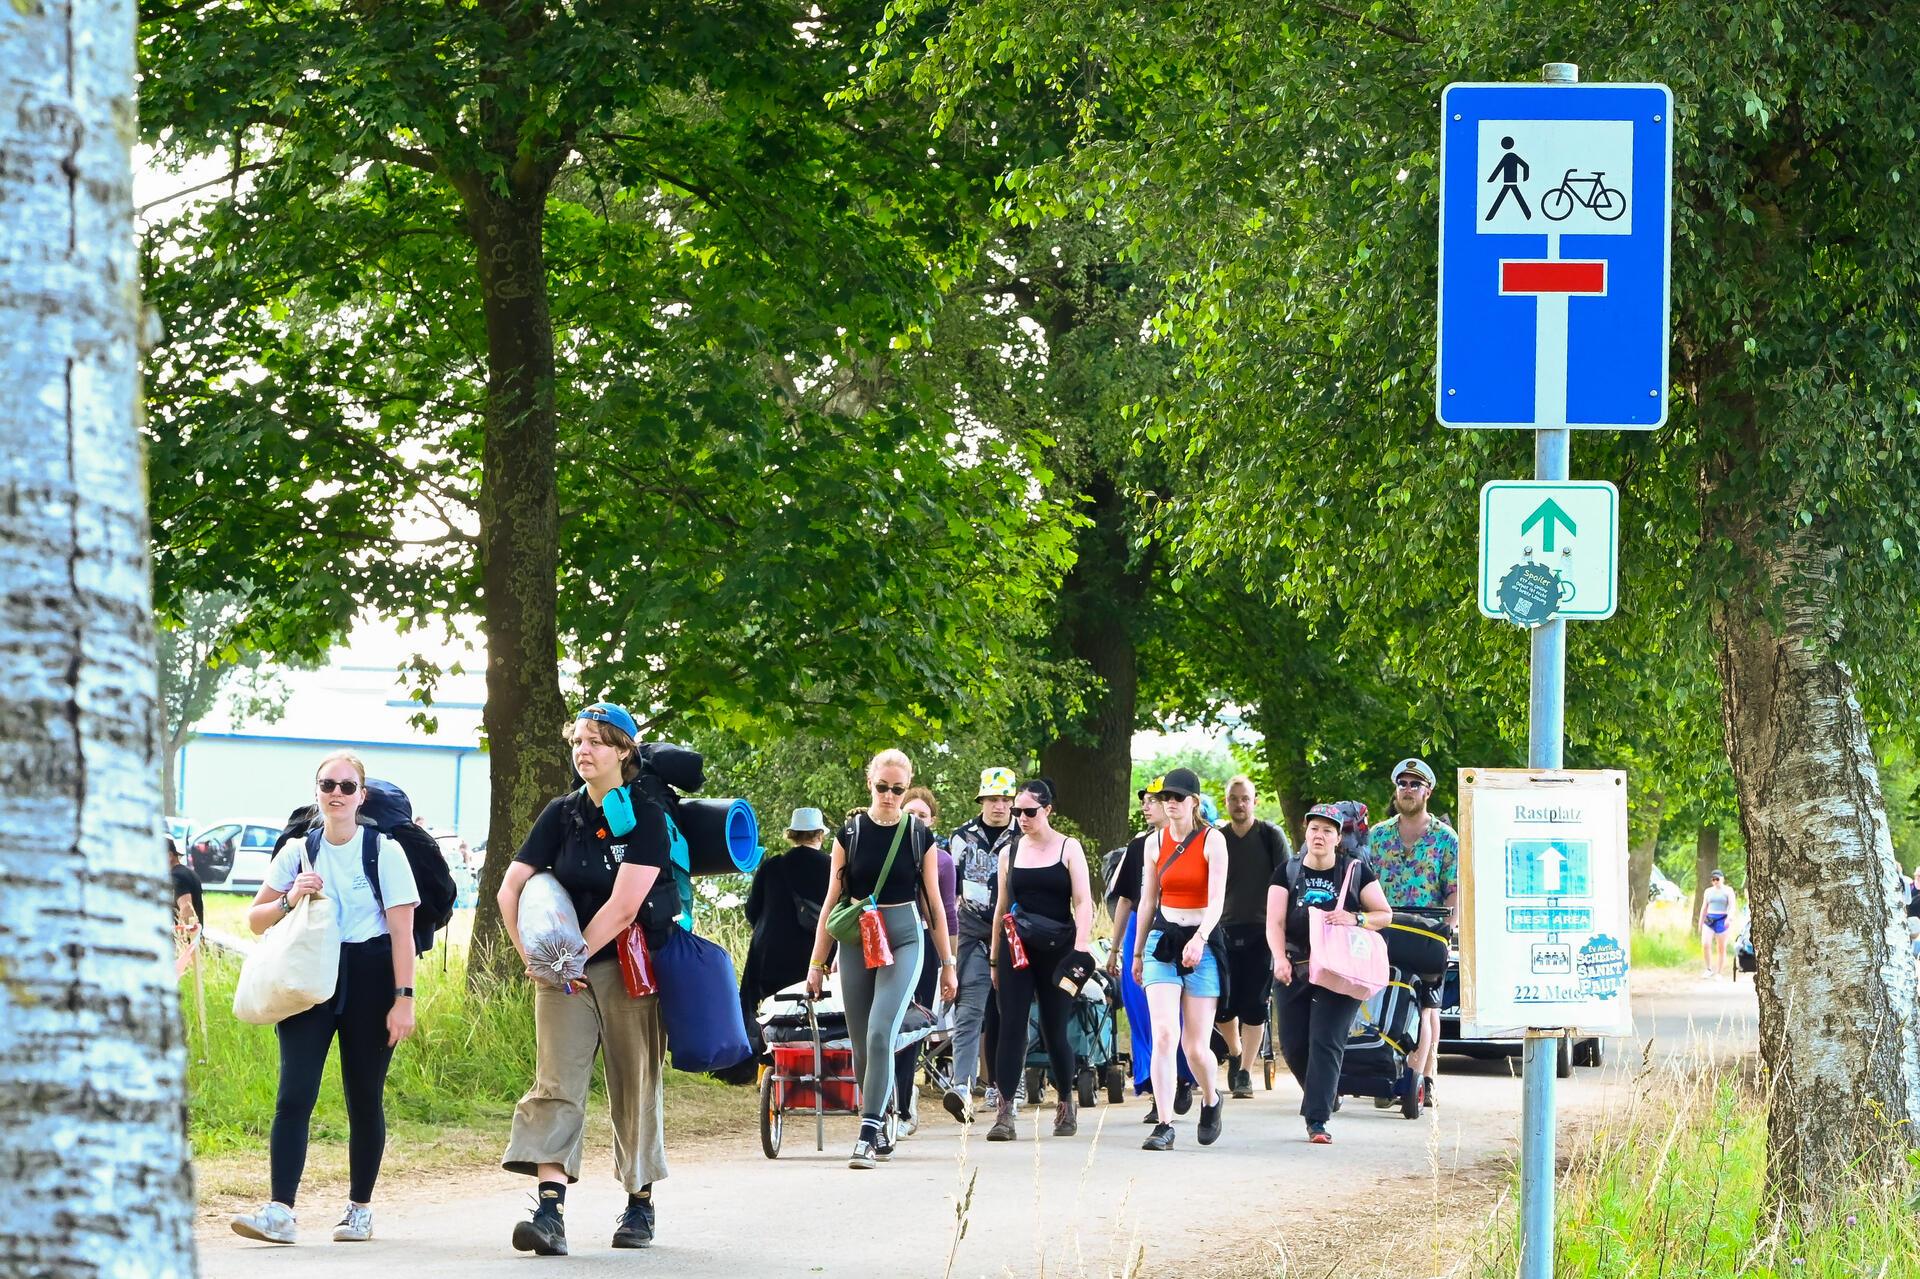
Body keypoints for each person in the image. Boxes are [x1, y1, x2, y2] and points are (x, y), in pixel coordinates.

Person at [497, 702, 679, 1256]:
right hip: (564, 975)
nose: (583, 750)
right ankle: (549, 1210)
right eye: (577, 740)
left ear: (625, 751)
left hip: (630, 968)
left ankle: (639, 1203)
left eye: (597, 741)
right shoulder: (562, 812)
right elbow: (511, 889)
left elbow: (625, 906)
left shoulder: (647, 815)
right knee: (555, 1082)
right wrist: (535, 957)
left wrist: (568, 958)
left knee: (634, 1082)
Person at [229, 750, 420, 1246]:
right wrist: (292, 894)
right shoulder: (297, 849)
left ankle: (359, 1208)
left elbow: (403, 933)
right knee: (294, 1095)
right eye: (327, 785)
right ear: (316, 791)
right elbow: (254, 919)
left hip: (372, 975)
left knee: (363, 1098)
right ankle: (280, 1211)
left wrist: (404, 999)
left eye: (347, 786)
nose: (336, 793)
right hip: (307, 974)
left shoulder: (385, 851)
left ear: (362, 795)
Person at [804, 749, 959, 1169]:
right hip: (857, 938)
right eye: (882, 787)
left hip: (905, 938)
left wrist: (948, 963)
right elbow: (831, 904)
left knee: (879, 1032)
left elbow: (935, 906)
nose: (889, 796)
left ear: (906, 787)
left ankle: (868, 1131)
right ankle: (885, 1111)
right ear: (869, 782)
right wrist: (816, 966)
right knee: (860, 1043)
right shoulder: (849, 834)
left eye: (898, 789)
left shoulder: (917, 835)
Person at [1268, 802, 1394, 1145]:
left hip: (1339, 969)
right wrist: (1279, 958)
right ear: (1305, 833)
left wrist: (1357, 918)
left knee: (1325, 1040)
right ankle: (1323, 1093)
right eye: (1313, 829)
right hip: (1295, 967)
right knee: (1294, 1046)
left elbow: (1385, 914)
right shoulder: (1287, 872)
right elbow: (1275, 922)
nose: (1319, 835)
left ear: (1339, 837)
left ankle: (1317, 1120)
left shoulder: (1354, 872)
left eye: (1327, 830)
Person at [985, 779, 1096, 1140]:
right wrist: (994, 955)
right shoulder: (1009, 853)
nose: (1021, 818)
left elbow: (1083, 901)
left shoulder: (1068, 848)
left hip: (1059, 948)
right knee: (1011, 1025)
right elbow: (1002, 906)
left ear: (1048, 810)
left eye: (1029, 812)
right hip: (1016, 947)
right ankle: (1004, 1111)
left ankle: (1065, 1100)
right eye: (1017, 812)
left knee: (1054, 1027)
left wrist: (1081, 947)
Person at [1133, 767, 1229, 1151]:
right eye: (1165, 798)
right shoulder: (1154, 842)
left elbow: (1218, 899)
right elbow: (1147, 900)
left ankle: (1211, 1099)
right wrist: (1138, 951)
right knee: (1164, 1035)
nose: (1169, 803)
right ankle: (1164, 1123)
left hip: (1202, 943)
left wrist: (1201, 939)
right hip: (1163, 940)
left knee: (1195, 1047)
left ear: (1194, 802)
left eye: (1177, 798)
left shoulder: (1212, 840)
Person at [1365, 756, 1458, 1108]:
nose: (1407, 790)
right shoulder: (1378, 835)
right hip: (1385, 927)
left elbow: (1454, 888)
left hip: (1427, 930)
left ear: (1427, 791)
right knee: (1380, 997)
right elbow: (1363, 880)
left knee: (1426, 1006)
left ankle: (1422, 1076)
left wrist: (1449, 927)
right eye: (1402, 783)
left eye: (1414, 784)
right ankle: (1384, 1069)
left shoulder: (1445, 839)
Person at [1107, 779, 1194, 1121]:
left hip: (1179, 930)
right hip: (1140, 933)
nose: (1145, 805)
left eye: (1154, 800)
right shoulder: (1137, 846)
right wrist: (1115, 949)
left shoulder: (1194, 843)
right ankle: (1157, 1090)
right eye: (1143, 799)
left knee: (1180, 1014)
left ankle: (1183, 1077)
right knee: (1141, 1011)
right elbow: (1127, 900)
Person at [944, 766, 1019, 1120]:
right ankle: (961, 1085)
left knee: (1011, 1010)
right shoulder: (961, 837)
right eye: (993, 799)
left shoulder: (1024, 836)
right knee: (970, 1009)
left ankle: (1008, 1085)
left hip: (1013, 931)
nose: (999, 806)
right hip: (973, 929)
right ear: (982, 800)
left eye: (1006, 799)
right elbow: (949, 886)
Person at [1214, 775, 1290, 1099]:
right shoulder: (1216, 838)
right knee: (1222, 1003)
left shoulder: (1270, 836)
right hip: (1221, 930)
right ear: (1226, 802)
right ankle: (1234, 1051)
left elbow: (1287, 883)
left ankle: (1245, 1072)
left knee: (1255, 1005)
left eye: (1245, 798)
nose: (1240, 805)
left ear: (1255, 801)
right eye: (1234, 799)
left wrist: (1284, 934)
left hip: (1262, 931)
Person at [738, 807, 834, 1059]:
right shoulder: (832, 868)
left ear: (791, 834)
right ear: (820, 835)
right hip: (812, 955)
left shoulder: (772, 866)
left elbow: (751, 911)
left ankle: (768, 1059)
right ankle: (810, 1059)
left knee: (773, 1010)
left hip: (770, 953)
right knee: (813, 1011)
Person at [894, 786, 958, 1135]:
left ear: (932, 821)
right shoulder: (883, 848)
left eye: (923, 815)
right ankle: (886, 1097)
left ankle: (903, 1103)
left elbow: (945, 912)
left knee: (911, 1024)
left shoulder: (943, 861)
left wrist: (950, 961)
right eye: (910, 813)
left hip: (924, 943)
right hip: (885, 942)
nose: (916, 820)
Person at [1700, 870, 1737, 978]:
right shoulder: (1708, 891)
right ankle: (1708, 969)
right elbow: (1704, 907)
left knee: (1721, 947)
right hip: (1710, 918)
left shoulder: (1728, 891)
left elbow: (1732, 906)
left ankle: (1719, 972)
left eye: (1717, 879)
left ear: (1722, 879)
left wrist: (1729, 918)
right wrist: (1701, 921)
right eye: (1713, 879)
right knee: (1705, 944)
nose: (1715, 881)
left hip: (1722, 918)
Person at [168, 835, 204, 929]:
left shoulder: (176, 876)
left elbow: (186, 908)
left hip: (184, 939)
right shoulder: (188, 872)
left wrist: (184, 937)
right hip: (194, 937)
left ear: (169, 856)